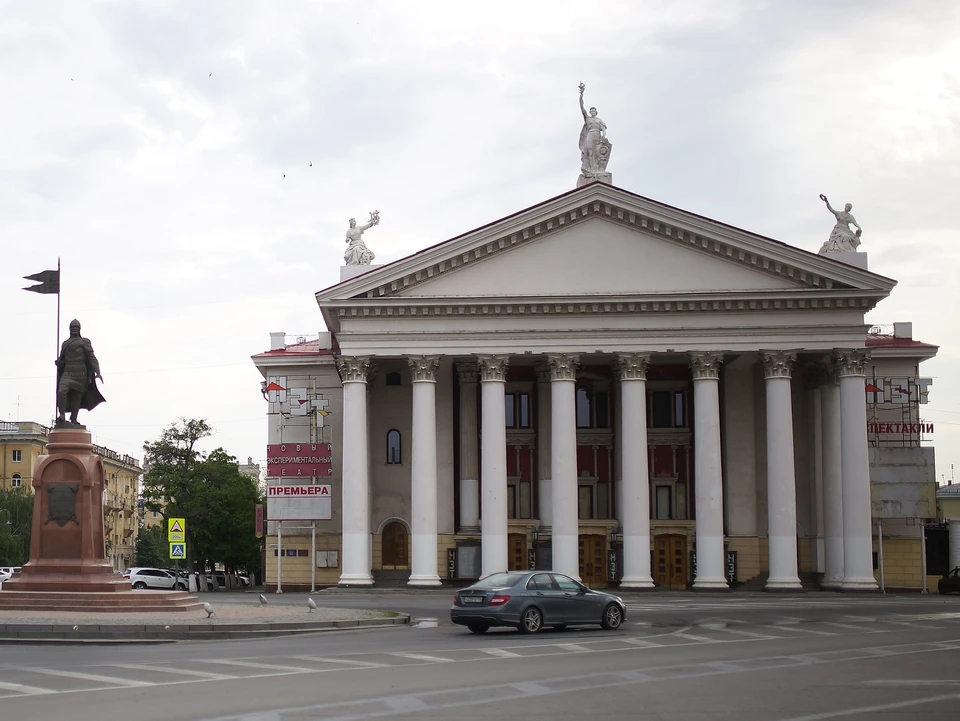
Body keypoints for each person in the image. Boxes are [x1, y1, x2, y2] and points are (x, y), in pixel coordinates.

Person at [55, 319, 105, 427]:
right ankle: (62, 415)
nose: (74, 329)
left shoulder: (84, 342)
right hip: (68, 371)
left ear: (79, 329)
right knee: (61, 391)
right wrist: (59, 363)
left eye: (76, 328)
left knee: (77, 397)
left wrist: (98, 371)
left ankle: (74, 418)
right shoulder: (65, 343)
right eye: (72, 328)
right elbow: (63, 360)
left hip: (80, 373)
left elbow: (92, 357)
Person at [578, 82, 608, 174]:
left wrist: (604, 136)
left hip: (597, 135)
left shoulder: (599, 120)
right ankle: (591, 169)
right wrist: (581, 95)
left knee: (597, 152)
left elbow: (603, 128)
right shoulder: (588, 119)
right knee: (590, 152)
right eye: (591, 111)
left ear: (596, 112)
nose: (592, 112)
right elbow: (582, 108)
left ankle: (598, 169)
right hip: (590, 135)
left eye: (594, 110)